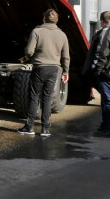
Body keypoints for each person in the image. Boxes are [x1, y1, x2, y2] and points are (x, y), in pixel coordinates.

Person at [17, 8, 70, 137]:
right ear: (56, 20)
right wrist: (66, 72)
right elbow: (66, 56)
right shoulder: (62, 35)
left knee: (34, 96)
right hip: (54, 70)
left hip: (39, 68)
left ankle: (29, 127)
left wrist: (29, 55)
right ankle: (45, 129)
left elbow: (29, 52)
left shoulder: (37, 31)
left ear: (44, 19)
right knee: (47, 98)